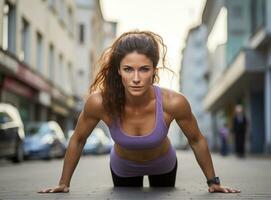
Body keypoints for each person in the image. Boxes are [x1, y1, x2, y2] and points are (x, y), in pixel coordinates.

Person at [39, 30, 240, 193]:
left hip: (164, 165)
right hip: (124, 168)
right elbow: (78, 139)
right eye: (128, 69)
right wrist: (64, 183)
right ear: (118, 70)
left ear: (154, 71)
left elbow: (196, 139)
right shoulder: (100, 102)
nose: (136, 78)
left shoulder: (173, 102)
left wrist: (213, 181)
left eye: (144, 69)